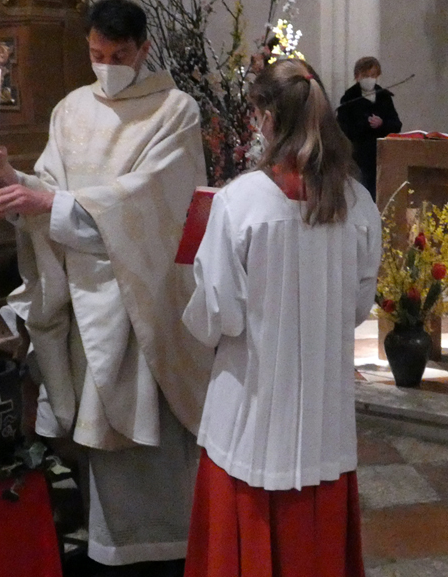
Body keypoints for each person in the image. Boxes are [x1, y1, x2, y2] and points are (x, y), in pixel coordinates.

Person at [0, 0, 214, 573]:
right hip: (83, 291)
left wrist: (48, 202)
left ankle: (170, 552)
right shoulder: (71, 108)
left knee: (152, 455)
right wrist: (13, 180)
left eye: (119, 53)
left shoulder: (174, 110)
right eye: (95, 53)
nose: (106, 64)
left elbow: (150, 203)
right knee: (97, 448)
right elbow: (49, 189)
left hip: (142, 294)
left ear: (145, 48)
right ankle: (108, 550)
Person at [181, 59, 382, 577]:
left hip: (251, 401)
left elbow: (219, 314)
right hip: (322, 410)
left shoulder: (240, 202)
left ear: (267, 117)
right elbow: (359, 306)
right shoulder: (357, 203)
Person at [336, 56, 402, 201]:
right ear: (357, 76)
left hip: (381, 155)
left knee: (379, 194)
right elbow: (343, 128)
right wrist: (364, 124)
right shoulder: (349, 98)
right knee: (361, 193)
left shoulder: (384, 96)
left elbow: (396, 125)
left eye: (373, 76)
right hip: (359, 156)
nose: (370, 79)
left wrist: (382, 124)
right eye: (366, 76)